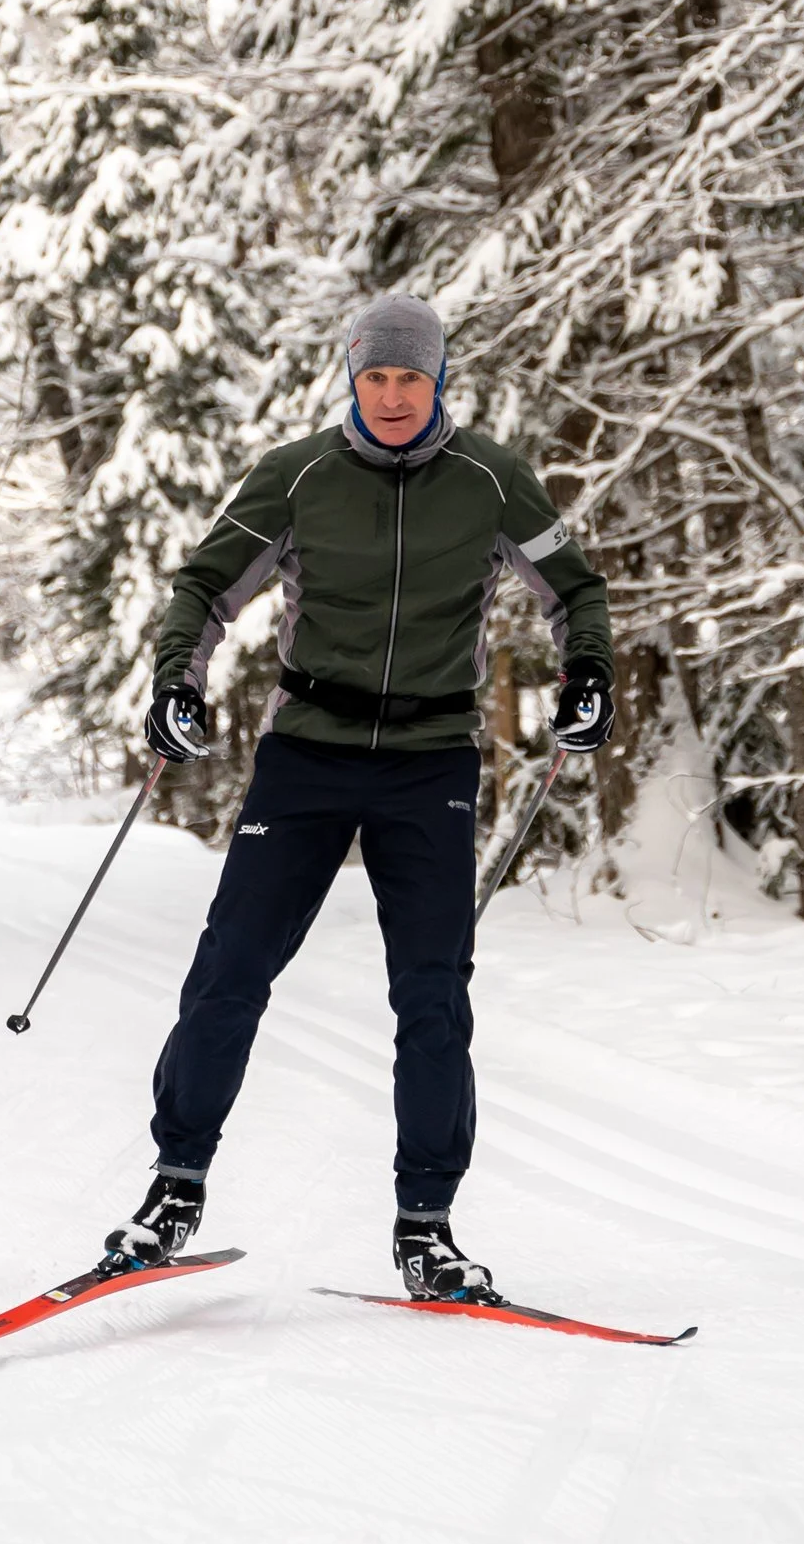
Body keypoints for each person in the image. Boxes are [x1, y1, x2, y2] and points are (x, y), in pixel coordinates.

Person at [104, 294, 614, 1302]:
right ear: (351, 376)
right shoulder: (295, 476)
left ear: (437, 383)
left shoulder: (490, 481)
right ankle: (173, 1191)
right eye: (374, 376)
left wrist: (587, 673)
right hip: (307, 752)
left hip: (430, 761)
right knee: (229, 971)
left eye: (409, 378)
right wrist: (176, 680)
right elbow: (203, 589)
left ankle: (426, 1226)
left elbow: (577, 592)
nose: (390, 396)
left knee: (432, 994)